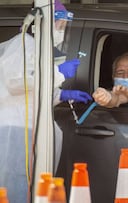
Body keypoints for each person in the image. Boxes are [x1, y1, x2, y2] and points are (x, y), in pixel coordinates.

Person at [0, 1, 91, 203]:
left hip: (27, 130)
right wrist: (58, 72)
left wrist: (62, 95)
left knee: (30, 187)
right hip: (16, 132)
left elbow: (34, 94)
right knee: (16, 188)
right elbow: (17, 82)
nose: (61, 29)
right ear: (42, 23)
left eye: (63, 25)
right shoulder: (24, 43)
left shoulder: (39, 48)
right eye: (58, 24)